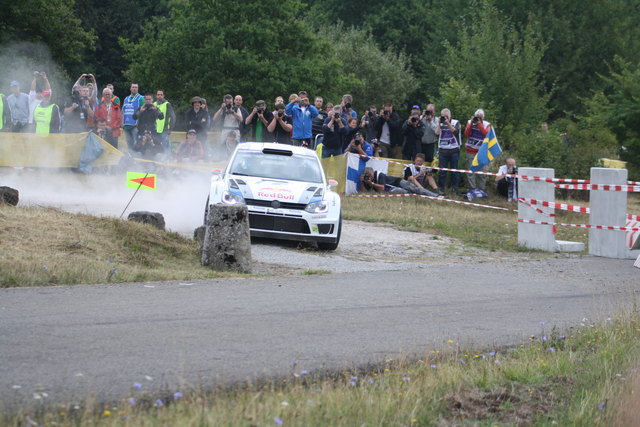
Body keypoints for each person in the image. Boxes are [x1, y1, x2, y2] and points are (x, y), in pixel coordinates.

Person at [360, 167, 439, 197]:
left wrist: (371, 184)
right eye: (367, 175)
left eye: (369, 174)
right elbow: (364, 192)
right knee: (409, 195)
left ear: (372, 172)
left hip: (398, 182)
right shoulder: (368, 181)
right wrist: (363, 182)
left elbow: (382, 188)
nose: (369, 176)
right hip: (392, 189)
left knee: (415, 189)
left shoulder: (379, 174)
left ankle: (435, 195)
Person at [464, 109, 491, 191]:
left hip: (482, 151)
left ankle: (481, 189)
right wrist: (471, 124)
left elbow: (487, 135)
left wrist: (479, 125)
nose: (478, 118)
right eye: (477, 117)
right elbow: (466, 134)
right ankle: (472, 188)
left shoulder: (486, 124)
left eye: (480, 117)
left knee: (482, 171)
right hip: (470, 150)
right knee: (471, 171)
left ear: (483, 117)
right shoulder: (470, 122)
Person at [435, 108, 461, 194]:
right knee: (442, 171)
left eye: (447, 116)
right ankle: (441, 188)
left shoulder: (455, 122)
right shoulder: (440, 123)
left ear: (450, 116)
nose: (445, 118)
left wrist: (448, 123)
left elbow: (456, 132)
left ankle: (454, 188)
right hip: (443, 150)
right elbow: (437, 133)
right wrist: (439, 124)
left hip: (454, 149)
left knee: (454, 170)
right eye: (443, 116)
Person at [122, 83, 144, 151]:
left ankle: (138, 156)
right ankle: (130, 156)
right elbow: (123, 111)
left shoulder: (141, 98)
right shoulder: (126, 98)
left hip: (135, 125)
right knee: (129, 143)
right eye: (133, 87)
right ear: (130, 88)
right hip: (126, 125)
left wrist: (139, 122)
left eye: (136, 87)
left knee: (137, 143)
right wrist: (122, 122)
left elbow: (143, 112)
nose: (134, 89)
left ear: (138, 89)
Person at [153, 89, 176, 154]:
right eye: (158, 95)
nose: (159, 96)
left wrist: (170, 128)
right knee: (157, 146)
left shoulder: (167, 104)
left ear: (163, 96)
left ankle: (167, 158)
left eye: (161, 95)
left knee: (165, 147)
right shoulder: (154, 104)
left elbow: (173, 117)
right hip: (155, 129)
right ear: (156, 96)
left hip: (165, 129)